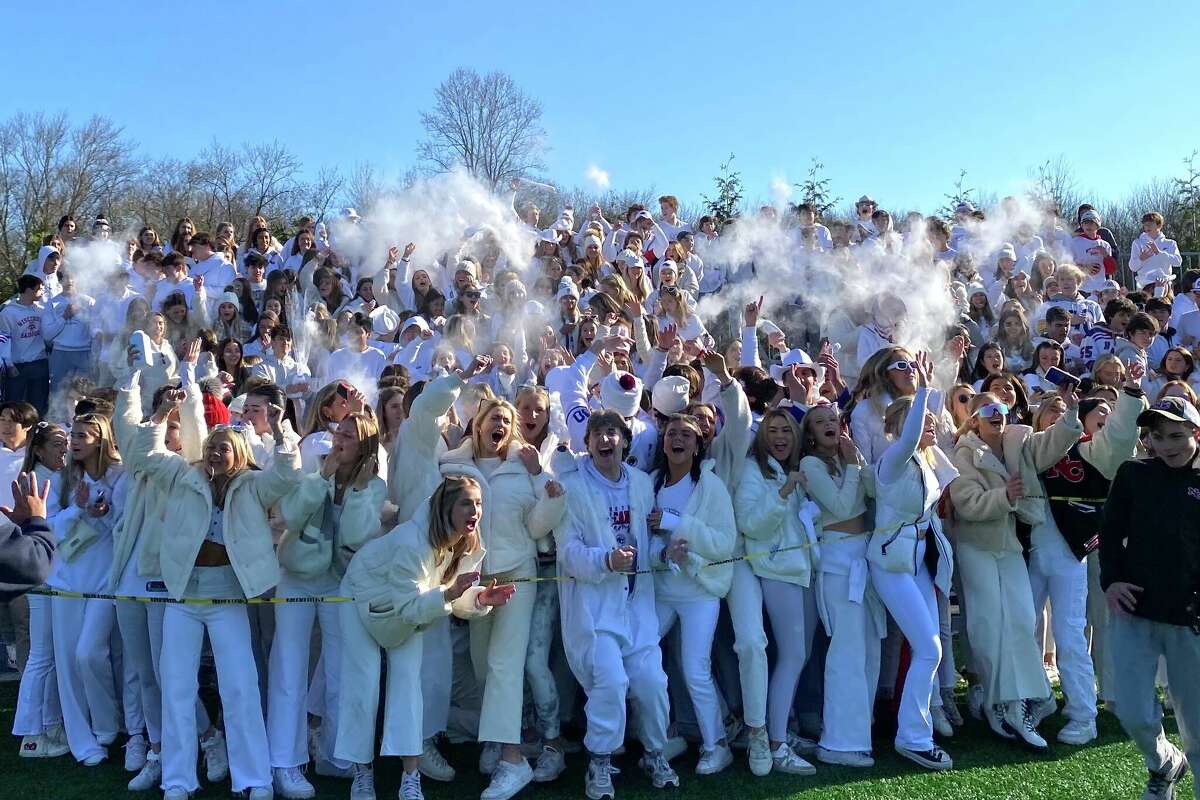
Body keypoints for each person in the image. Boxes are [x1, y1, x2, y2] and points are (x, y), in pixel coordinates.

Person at [128, 393, 299, 800]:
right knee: (176, 686)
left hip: (227, 598)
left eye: (223, 447)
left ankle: (254, 779)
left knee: (240, 687)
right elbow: (146, 456)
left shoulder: (254, 486)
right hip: (185, 597)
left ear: (239, 452)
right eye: (210, 448)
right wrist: (158, 416)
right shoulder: (184, 476)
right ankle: (177, 781)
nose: (214, 453)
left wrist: (280, 430)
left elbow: (289, 475)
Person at [336, 475, 515, 800]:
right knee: (362, 682)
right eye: (466, 503)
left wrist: (479, 600)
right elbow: (417, 604)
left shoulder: (467, 543)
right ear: (446, 506)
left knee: (408, 683)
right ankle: (361, 774)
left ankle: (410, 777)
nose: (475, 511)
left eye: (478, 504)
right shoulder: (411, 542)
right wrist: (449, 593)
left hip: (409, 607)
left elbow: (450, 598)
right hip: (360, 595)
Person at [437, 399, 566, 800]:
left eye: (508, 421)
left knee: (505, 664)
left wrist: (549, 493)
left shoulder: (524, 465)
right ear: (477, 423)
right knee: (481, 667)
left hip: (518, 574)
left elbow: (537, 525)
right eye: (496, 417)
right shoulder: (452, 466)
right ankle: (497, 740)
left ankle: (513, 760)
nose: (503, 424)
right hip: (473, 578)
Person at [553, 410, 679, 800]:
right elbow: (567, 550)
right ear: (586, 443)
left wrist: (664, 552)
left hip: (636, 605)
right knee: (611, 680)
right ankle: (600, 761)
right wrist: (605, 560)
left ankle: (654, 753)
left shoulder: (641, 483)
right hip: (594, 606)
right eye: (598, 434)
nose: (606, 440)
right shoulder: (570, 487)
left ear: (625, 441)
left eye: (613, 433)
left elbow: (645, 541)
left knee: (653, 682)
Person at [950, 386, 1082, 749]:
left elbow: (1050, 446)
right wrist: (1004, 496)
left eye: (1001, 407)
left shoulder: (1017, 441)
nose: (996, 412)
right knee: (989, 625)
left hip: (1007, 545)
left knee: (1023, 620)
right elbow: (967, 503)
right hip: (976, 546)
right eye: (987, 408)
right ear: (974, 420)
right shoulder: (963, 453)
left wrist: (1071, 415)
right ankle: (1000, 705)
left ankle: (1021, 700)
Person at [268, 411, 388, 798]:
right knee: (289, 665)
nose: (340, 440)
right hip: (297, 577)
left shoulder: (374, 486)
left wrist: (351, 489)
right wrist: (323, 477)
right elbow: (289, 516)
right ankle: (285, 762)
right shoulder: (315, 469)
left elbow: (355, 533)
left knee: (340, 668)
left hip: (339, 581)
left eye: (350, 437)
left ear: (365, 445)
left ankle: (335, 754)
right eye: (340, 432)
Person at [1101, 396, 1200, 800]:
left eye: (1176, 435)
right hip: (1135, 609)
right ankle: (1163, 763)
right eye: (1158, 437)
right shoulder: (1133, 473)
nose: (1167, 445)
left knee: (1196, 726)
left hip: (1191, 618)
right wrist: (1112, 580)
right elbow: (1107, 532)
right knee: (1131, 711)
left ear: (1196, 433)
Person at [867, 387, 957, 771]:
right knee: (929, 649)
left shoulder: (924, 458)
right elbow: (908, 437)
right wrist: (920, 391)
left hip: (917, 559)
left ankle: (916, 732)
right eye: (921, 419)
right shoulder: (894, 458)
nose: (930, 423)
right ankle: (913, 737)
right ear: (897, 428)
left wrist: (932, 389)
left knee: (928, 647)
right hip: (891, 562)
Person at [647, 414, 737, 775]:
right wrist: (663, 554)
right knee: (640, 657)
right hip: (662, 589)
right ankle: (662, 737)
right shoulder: (651, 482)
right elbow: (644, 542)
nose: (678, 440)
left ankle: (717, 745)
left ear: (698, 445)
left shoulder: (710, 486)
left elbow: (724, 543)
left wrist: (675, 523)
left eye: (686, 434)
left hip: (700, 590)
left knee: (695, 670)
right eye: (672, 434)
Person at [733, 409, 819, 776]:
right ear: (762, 436)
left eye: (787, 430)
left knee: (801, 655)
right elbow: (750, 524)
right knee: (792, 655)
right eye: (773, 431)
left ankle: (782, 730)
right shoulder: (754, 470)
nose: (781, 437)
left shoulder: (796, 468)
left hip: (803, 570)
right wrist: (784, 492)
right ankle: (777, 743)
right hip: (777, 570)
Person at [798, 404, 881, 768]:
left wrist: (856, 460)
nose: (830, 425)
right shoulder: (810, 466)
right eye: (820, 422)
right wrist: (851, 466)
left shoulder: (849, 456)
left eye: (833, 419)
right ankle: (838, 741)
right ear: (811, 433)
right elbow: (843, 504)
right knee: (846, 650)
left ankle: (860, 731)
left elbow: (874, 491)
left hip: (864, 557)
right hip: (836, 564)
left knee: (869, 648)